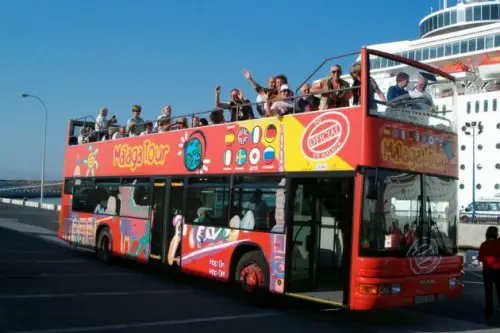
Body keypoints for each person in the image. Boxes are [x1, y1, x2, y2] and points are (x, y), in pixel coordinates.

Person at [478, 226, 500, 319]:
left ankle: (489, 311)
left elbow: (479, 258)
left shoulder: (484, 244)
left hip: (487, 271)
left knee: (488, 292)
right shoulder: (498, 244)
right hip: (498, 270)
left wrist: (486, 259)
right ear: (496, 234)